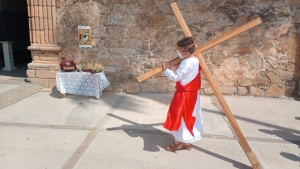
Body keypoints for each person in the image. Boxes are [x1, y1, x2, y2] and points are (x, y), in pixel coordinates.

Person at [162, 36, 203, 151]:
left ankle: (177, 142)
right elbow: (187, 70)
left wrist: (166, 69)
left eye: (183, 51)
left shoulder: (186, 63)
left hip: (184, 95)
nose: (181, 53)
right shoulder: (196, 60)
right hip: (194, 94)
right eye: (180, 51)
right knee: (190, 117)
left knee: (179, 117)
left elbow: (176, 77)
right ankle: (187, 142)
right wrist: (178, 63)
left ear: (188, 50)